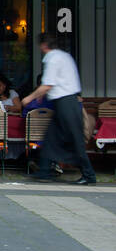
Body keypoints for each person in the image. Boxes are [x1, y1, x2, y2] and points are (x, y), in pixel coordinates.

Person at [24, 33, 97, 184]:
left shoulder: (53, 59)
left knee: (74, 139)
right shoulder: (65, 56)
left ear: (44, 45)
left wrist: (29, 98)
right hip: (67, 102)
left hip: (65, 103)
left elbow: (47, 84)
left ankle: (89, 174)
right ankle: (45, 171)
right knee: (51, 137)